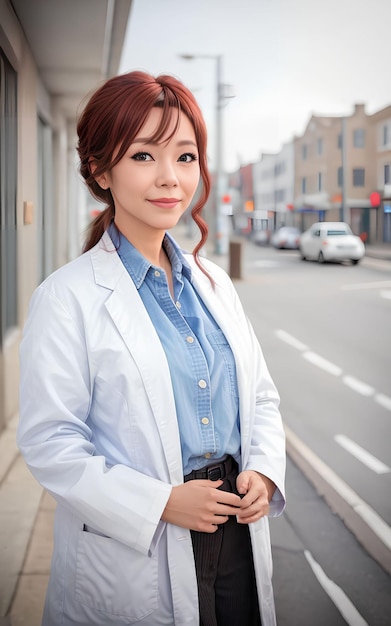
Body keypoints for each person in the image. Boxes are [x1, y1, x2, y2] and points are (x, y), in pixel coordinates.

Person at [17, 71, 286, 626]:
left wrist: (263, 471)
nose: (170, 179)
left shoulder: (213, 284)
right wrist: (161, 503)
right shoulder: (66, 297)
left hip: (237, 531)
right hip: (137, 547)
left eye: (185, 158)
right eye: (144, 156)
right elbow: (50, 442)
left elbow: (259, 397)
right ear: (99, 168)